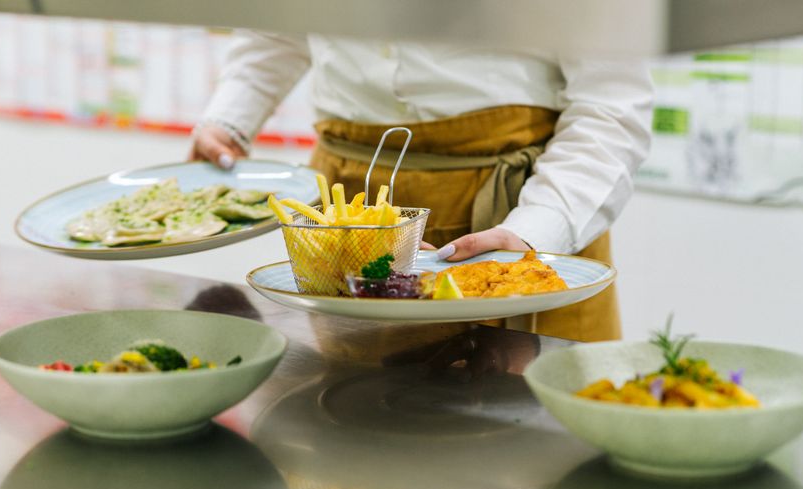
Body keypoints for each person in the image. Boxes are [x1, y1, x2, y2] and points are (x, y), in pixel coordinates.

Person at [190, 32, 653, 342]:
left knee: (525, 452)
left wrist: (537, 232)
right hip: (348, 205)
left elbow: (611, 105)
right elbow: (280, 27)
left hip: (522, 208)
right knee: (354, 439)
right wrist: (231, 118)